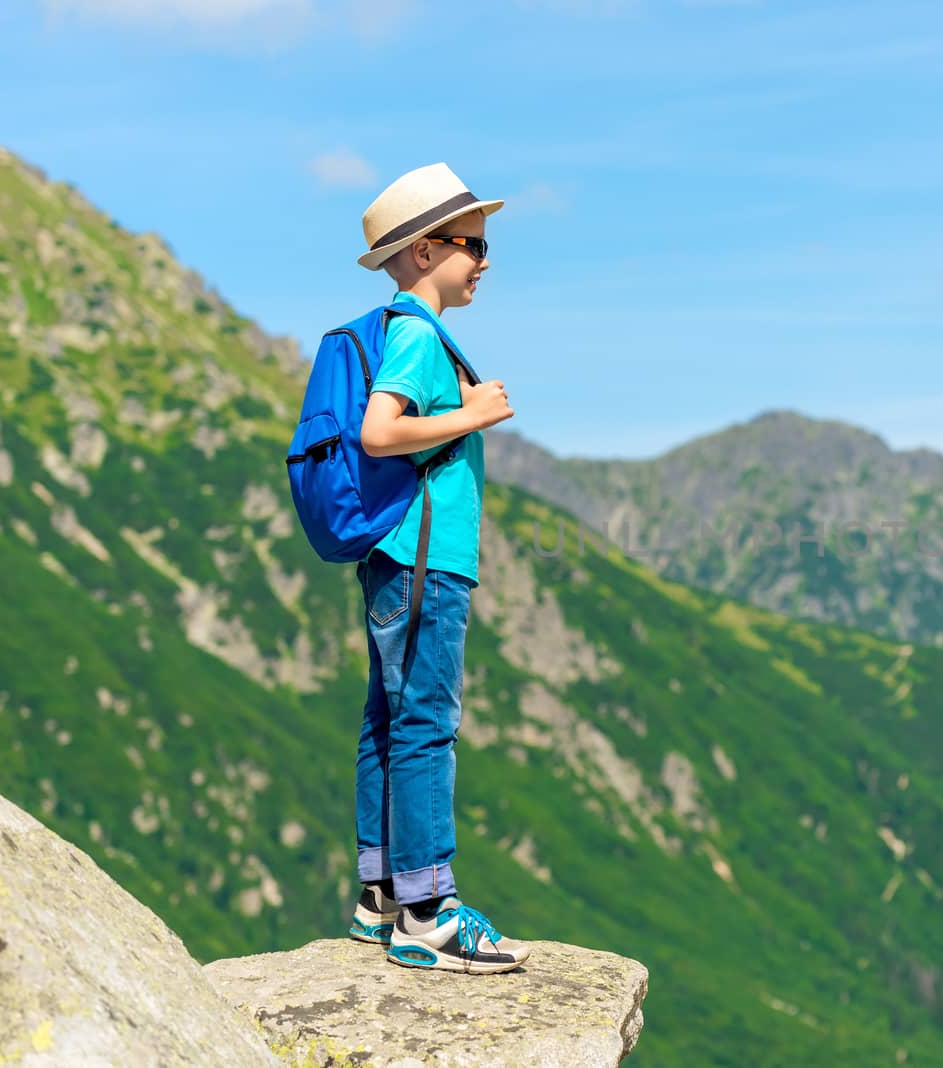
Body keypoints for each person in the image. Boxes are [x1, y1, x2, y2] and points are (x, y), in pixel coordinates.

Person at [345, 162, 530, 974]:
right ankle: (429, 911)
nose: (484, 261)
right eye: (472, 244)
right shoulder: (417, 333)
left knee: (389, 716)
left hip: (399, 558)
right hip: (426, 558)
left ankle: (380, 896)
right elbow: (378, 433)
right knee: (427, 719)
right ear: (424, 252)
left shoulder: (406, 330)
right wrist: (473, 413)